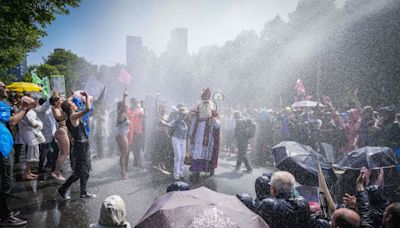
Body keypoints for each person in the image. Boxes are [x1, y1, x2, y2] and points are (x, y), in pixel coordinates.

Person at [0, 81, 29, 226]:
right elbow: (12, 121)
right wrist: (24, 108)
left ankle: (4, 210)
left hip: (5, 144)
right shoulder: (1, 105)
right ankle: (5, 216)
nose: (6, 89)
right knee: (5, 182)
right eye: (3, 87)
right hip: (2, 147)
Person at [58, 91, 96, 199]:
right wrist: (87, 96)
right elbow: (88, 109)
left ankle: (82, 192)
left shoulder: (70, 115)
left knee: (84, 170)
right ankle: (65, 189)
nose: (74, 103)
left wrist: (73, 94)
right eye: (72, 104)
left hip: (82, 145)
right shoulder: (73, 116)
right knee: (80, 172)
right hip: (81, 147)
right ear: (70, 108)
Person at [189, 88, 221, 181]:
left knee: (206, 152)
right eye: (204, 96)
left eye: (207, 96)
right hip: (199, 130)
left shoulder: (212, 107)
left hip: (208, 132)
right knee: (197, 151)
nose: (205, 99)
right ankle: (196, 172)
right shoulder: (199, 106)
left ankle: (207, 168)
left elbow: (218, 124)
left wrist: (214, 119)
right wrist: (191, 133)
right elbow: (194, 119)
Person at [18, 96, 45, 180]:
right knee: (31, 155)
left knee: (32, 154)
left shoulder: (27, 111)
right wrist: (39, 123)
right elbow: (33, 123)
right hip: (30, 136)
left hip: (31, 135)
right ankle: (26, 173)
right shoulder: (26, 113)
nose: (35, 104)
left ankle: (28, 172)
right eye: (33, 103)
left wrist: (38, 123)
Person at [162, 106, 189, 180]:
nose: (184, 116)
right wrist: (164, 123)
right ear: (179, 114)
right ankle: (176, 174)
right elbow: (170, 124)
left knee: (183, 157)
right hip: (176, 138)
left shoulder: (184, 122)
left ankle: (181, 172)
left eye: (185, 115)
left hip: (183, 140)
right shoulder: (176, 121)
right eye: (183, 114)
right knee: (178, 157)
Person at [51, 95, 69, 181]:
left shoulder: (59, 108)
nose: (61, 101)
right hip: (61, 131)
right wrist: (66, 114)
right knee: (64, 153)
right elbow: (58, 118)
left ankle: (57, 171)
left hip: (64, 131)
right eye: (59, 100)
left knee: (64, 153)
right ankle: (56, 172)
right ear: (55, 102)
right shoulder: (56, 109)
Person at [126, 97, 145, 170]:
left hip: (138, 133)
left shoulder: (139, 110)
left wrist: (142, 107)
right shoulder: (128, 110)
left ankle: (136, 165)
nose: (136, 104)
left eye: (137, 102)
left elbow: (144, 116)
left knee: (137, 149)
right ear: (131, 103)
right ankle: (125, 167)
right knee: (128, 149)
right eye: (134, 102)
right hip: (129, 132)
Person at [116, 91, 129, 179]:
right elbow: (122, 107)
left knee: (123, 154)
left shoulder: (123, 115)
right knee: (123, 155)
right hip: (122, 137)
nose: (127, 106)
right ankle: (123, 174)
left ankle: (123, 172)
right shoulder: (121, 114)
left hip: (122, 136)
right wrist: (124, 96)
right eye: (125, 106)